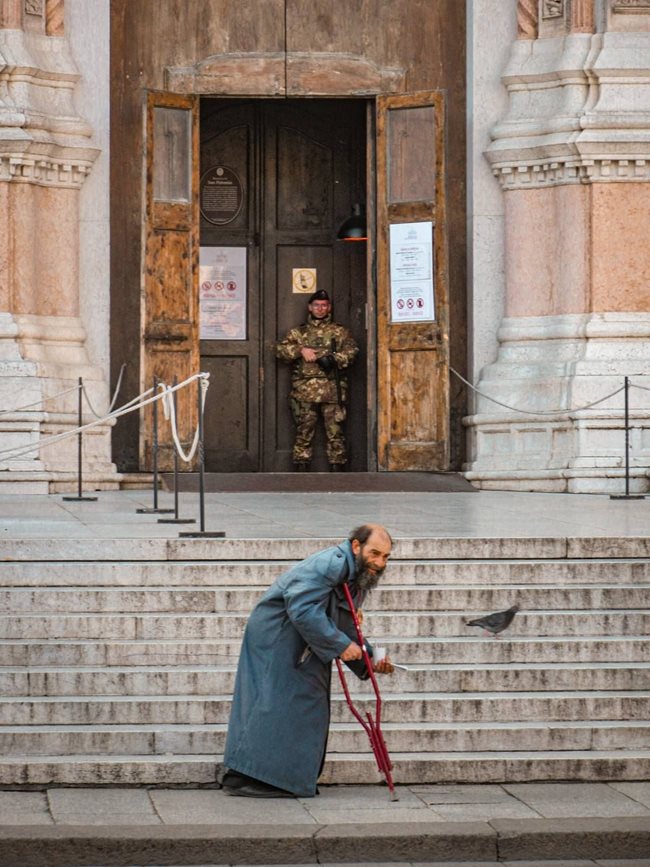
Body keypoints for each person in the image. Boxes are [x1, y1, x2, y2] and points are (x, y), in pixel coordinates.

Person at [219, 523, 394, 798]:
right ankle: (249, 775)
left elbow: (346, 624)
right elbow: (302, 608)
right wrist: (339, 644)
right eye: (375, 553)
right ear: (356, 546)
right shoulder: (329, 564)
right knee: (275, 699)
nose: (379, 562)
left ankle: (280, 777)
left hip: (304, 637)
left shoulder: (358, 576)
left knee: (302, 700)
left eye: (385, 557)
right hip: (277, 635)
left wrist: (369, 659)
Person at [275, 289, 359, 471]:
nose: (320, 309)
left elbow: (352, 352)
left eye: (324, 305)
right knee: (303, 432)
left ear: (329, 308)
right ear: (310, 307)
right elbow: (280, 351)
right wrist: (300, 350)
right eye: (316, 305)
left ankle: (338, 471)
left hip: (331, 390)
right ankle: (301, 470)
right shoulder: (299, 333)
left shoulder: (340, 332)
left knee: (335, 433)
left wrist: (335, 358)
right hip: (305, 391)